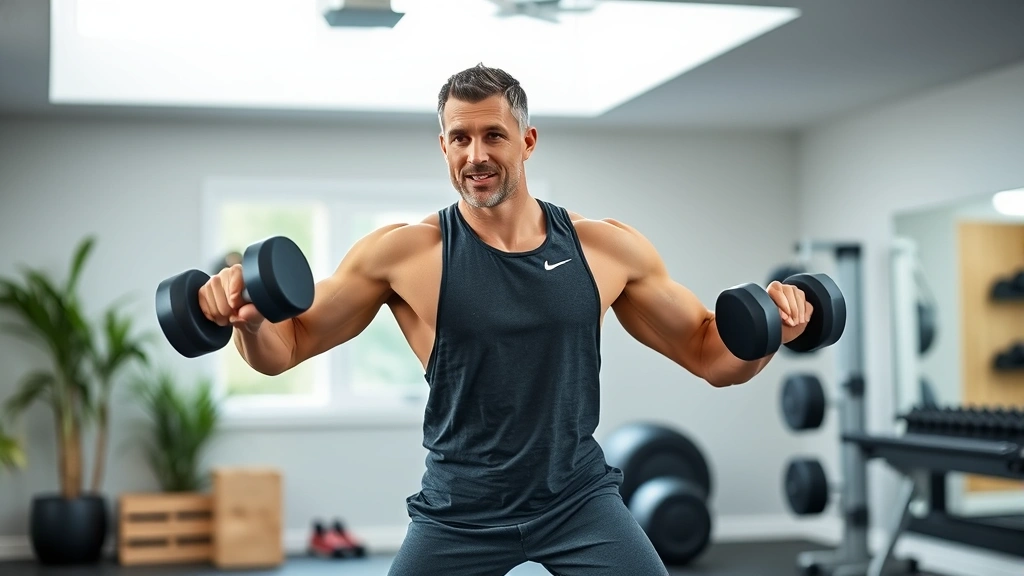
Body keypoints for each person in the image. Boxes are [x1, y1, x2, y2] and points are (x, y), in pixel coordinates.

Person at [198, 63, 812, 575]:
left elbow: (711, 355)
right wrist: (250, 321)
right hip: (458, 509)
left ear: (528, 141)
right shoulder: (403, 253)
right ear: (443, 145)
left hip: (576, 500)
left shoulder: (605, 249)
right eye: (459, 138)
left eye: (493, 135)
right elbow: (289, 347)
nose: (476, 155)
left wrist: (771, 337)